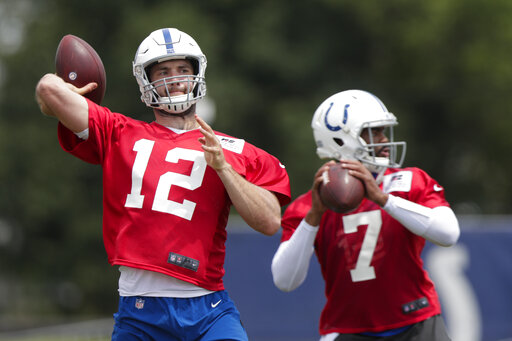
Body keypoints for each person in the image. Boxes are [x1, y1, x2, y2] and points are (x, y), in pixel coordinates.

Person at [35, 28, 290, 341]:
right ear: (146, 81)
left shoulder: (233, 149)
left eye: (183, 70)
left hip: (208, 308)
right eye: (163, 72)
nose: (175, 79)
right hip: (140, 312)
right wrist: (65, 96)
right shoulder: (120, 132)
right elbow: (49, 88)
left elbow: (269, 221)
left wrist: (223, 168)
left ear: (197, 74)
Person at [271, 90, 460, 341]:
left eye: (383, 130)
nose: (383, 140)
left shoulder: (408, 182)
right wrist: (314, 216)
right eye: (374, 132)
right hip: (348, 330)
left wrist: (383, 199)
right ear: (341, 141)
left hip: (415, 322)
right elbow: (285, 280)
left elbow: (448, 234)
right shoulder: (311, 204)